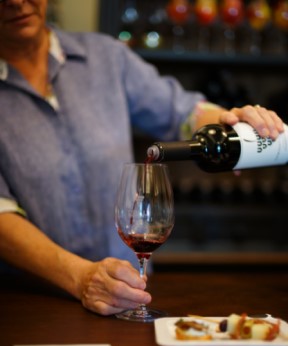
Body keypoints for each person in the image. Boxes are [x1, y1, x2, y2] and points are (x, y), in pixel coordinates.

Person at [0, 0, 284, 316]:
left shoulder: (106, 57)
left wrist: (232, 122)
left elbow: (185, 113)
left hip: (131, 296)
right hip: (34, 302)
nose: (15, 1)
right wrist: (80, 277)